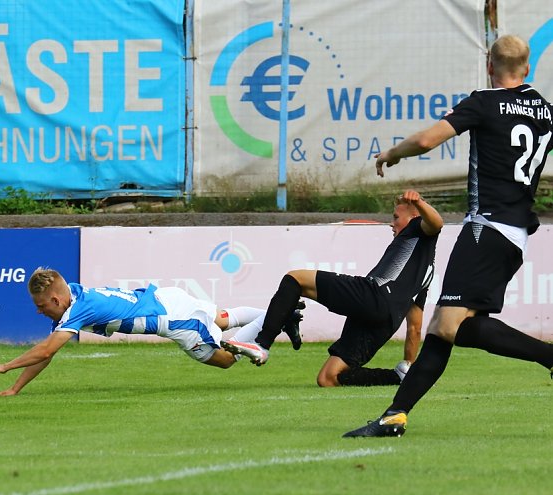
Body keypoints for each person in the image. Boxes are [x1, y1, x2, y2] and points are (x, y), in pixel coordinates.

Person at [344, 34, 553, 437]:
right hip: (514, 235)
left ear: (490, 67)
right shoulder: (545, 111)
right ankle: (394, 415)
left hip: (486, 228)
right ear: (527, 69)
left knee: (451, 325)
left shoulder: (484, 101)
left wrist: (392, 154)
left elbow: (426, 140)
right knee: (445, 325)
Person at [222, 190, 443, 388]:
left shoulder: (417, 229)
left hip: (372, 295)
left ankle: (262, 344)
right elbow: (414, 327)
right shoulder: (427, 271)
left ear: (415, 218)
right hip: (385, 322)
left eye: (395, 217)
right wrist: (408, 365)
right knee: (328, 378)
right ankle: (396, 378)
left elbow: (437, 224)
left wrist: (420, 202)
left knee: (294, 279)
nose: (391, 223)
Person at [0, 267, 275, 396]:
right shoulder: (73, 294)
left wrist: (6, 367)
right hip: (166, 297)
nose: (39, 310)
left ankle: (258, 336)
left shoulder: (75, 310)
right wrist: (16, 388)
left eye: (42, 305)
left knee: (224, 359)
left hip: (170, 318)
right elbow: (46, 354)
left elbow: (45, 350)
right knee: (224, 318)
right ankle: (279, 313)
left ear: (56, 300)